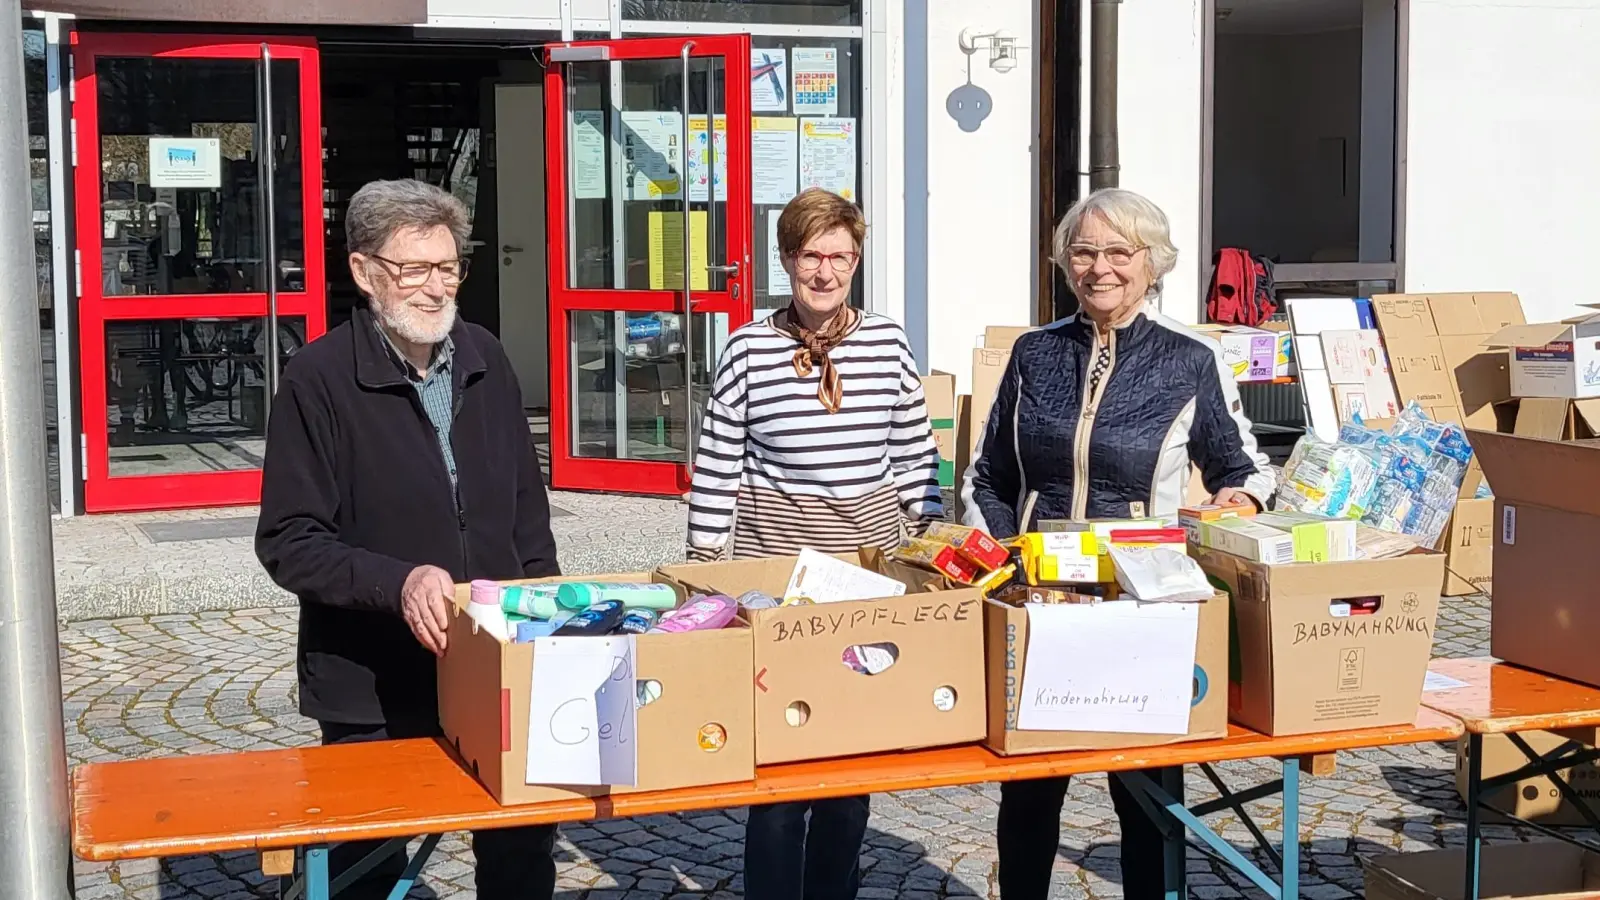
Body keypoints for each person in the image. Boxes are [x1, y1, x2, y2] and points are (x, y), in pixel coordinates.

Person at [963, 187, 1274, 900]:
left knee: (1147, 793)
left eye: (1117, 251)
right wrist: (1010, 555)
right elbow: (989, 474)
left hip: (1143, 604)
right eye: (1083, 250)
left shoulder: (1190, 359)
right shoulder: (1034, 353)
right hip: (1041, 600)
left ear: (1151, 262)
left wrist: (1241, 499)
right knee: (1031, 790)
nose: (1099, 266)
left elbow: (1246, 466)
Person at [255, 179, 561, 900]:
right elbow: (289, 539)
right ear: (364, 272)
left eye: (448, 267)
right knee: (368, 870)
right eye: (413, 269)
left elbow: (526, 506)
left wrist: (544, 602)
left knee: (522, 856)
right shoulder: (318, 379)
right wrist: (399, 583)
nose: (434, 288)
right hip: (373, 682)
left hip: (497, 669)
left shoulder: (485, 356)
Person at [686, 187, 943, 899]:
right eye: (810, 255)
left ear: (856, 261)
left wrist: (927, 552)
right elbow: (716, 469)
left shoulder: (888, 341)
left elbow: (914, 454)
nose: (824, 271)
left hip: (867, 571)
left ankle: (835, 890)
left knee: (851, 750)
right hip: (776, 570)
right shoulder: (747, 349)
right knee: (779, 758)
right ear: (786, 260)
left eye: (839, 255)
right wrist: (705, 577)